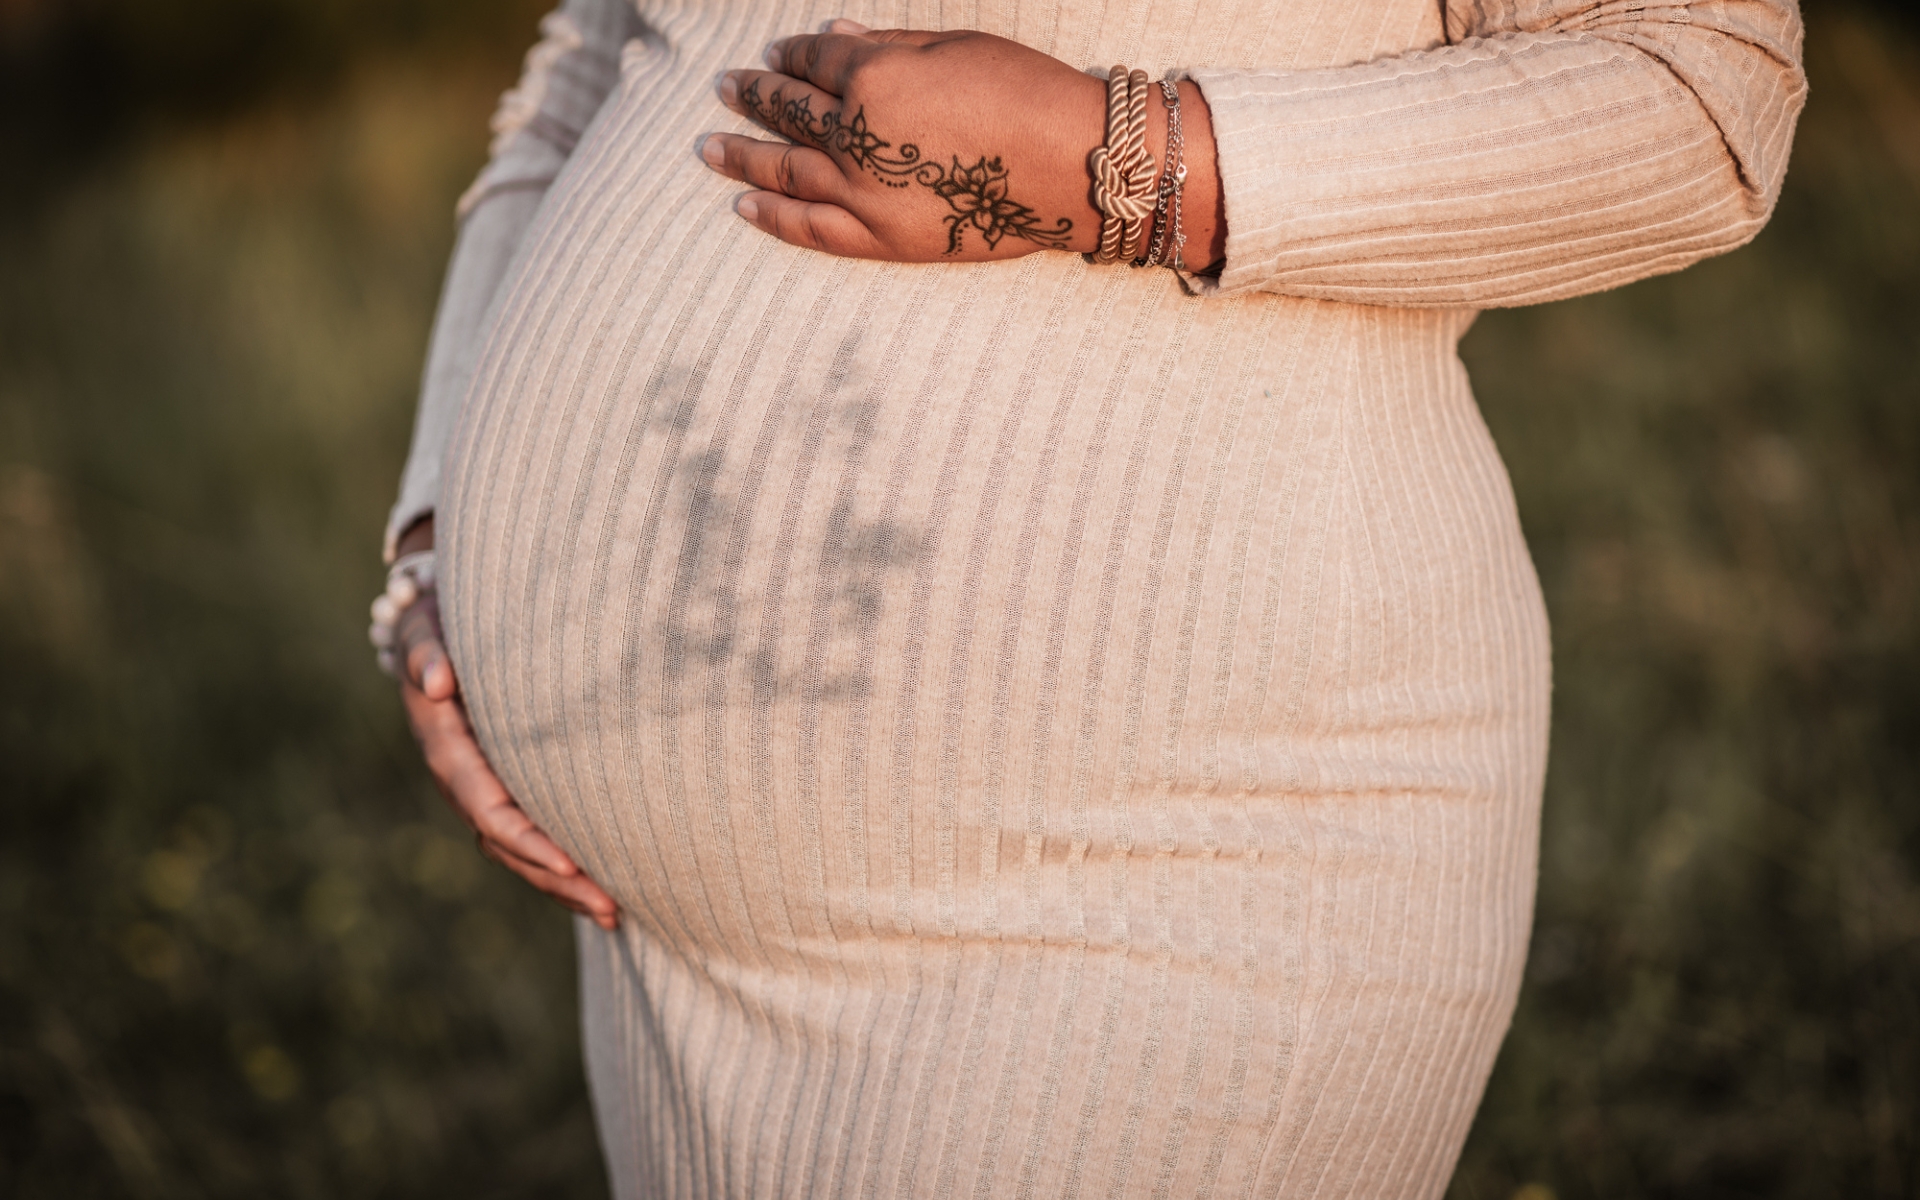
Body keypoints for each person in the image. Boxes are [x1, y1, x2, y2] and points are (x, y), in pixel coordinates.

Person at [370, 0, 1805, 1194]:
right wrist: (439, 525)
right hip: (661, 966)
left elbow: (1703, 91)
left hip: (1144, 882)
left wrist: (1109, 159)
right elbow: (593, 61)